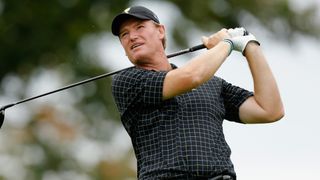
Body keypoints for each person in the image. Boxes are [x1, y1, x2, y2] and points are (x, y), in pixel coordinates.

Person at [111, 6, 284, 180]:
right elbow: (192, 76)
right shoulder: (126, 81)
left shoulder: (212, 83)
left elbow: (269, 110)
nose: (132, 36)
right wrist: (228, 43)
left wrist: (250, 46)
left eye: (139, 27)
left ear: (160, 31)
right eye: (124, 34)